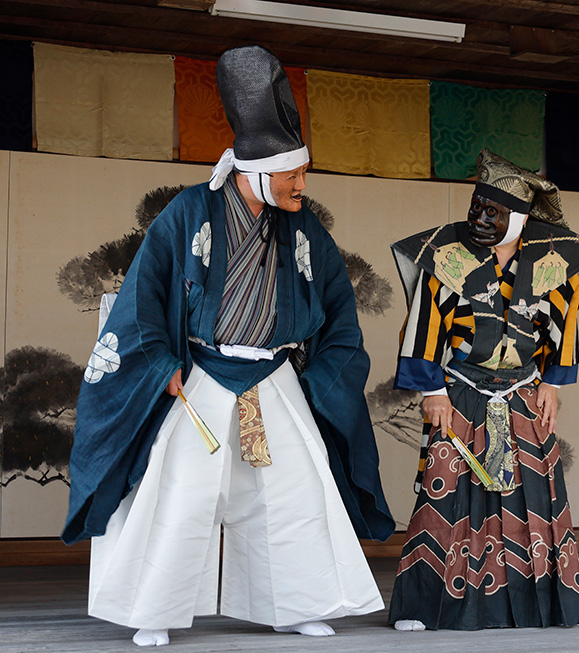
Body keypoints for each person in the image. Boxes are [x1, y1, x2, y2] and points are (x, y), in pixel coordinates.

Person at [62, 45, 394, 646]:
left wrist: (323, 377)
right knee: (182, 492)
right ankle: (153, 609)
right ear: (256, 173)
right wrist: (158, 362)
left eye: (300, 172)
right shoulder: (190, 211)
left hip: (272, 375)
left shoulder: (305, 228)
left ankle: (296, 604)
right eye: (292, 175)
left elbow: (339, 312)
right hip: (203, 374)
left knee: (292, 491)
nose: (300, 184)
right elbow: (143, 293)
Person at [386, 149, 579, 631]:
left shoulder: (551, 261)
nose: (480, 218)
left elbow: (564, 325)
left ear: (521, 218)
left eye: (493, 211)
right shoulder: (446, 255)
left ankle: (547, 603)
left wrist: (552, 381)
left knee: (537, 495)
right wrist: (432, 389)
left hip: (525, 392)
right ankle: (424, 605)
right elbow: (423, 325)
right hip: (460, 389)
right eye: (476, 208)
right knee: (444, 492)